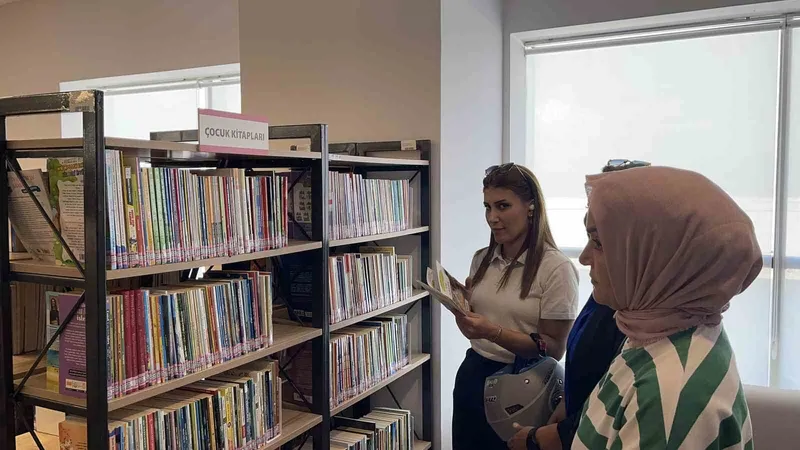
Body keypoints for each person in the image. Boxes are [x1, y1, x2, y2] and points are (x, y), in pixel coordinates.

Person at [571, 166, 760, 449]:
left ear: (660, 256)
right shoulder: (665, 330)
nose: (584, 257)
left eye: (599, 242)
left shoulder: (672, 392)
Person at [508, 159, 651, 450]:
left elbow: (607, 412)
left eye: (598, 241)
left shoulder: (645, 328)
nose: (584, 258)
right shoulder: (609, 295)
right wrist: (562, 409)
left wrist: (539, 438)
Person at [452, 162, 579, 450]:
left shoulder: (556, 268)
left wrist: (492, 331)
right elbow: (476, 331)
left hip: (524, 385)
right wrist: (464, 318)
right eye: (487, 207)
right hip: (473, 374)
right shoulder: (481, 259)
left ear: (531, 207)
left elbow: (553, 348)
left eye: (503, 206)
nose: (492, 217)